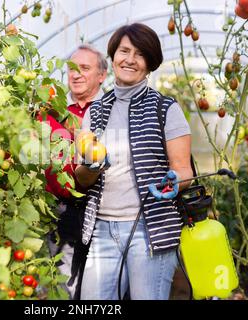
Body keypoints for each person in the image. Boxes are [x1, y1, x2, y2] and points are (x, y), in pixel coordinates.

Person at [75, 23, 194, 300]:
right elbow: (81, 179)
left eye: (139, 54)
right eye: (124, 51)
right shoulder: (96, 111)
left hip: (150, 229)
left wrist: (174, 182)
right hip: (102, 230)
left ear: (149, 64)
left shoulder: (165, 108)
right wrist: (93, 166)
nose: (130, 59)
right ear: (113, 57)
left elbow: (183, 169)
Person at [38, 44, 108, 299]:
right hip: (55, 208)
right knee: (54, 277)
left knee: (90, 280)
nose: (76, 74)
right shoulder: (52, 111)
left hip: (98, 208)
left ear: (102, 75)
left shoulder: (110, 111)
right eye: (71, 69)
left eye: (85, 69)